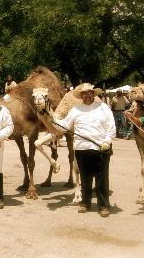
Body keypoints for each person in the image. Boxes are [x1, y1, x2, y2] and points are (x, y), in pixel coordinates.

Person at [54, 83, 116, 217]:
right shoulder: (76, 109)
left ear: (93, 94)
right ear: (81, 96)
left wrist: (107, 141)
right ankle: (85, 203)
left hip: (100, 148)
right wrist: (52, 119)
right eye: (84, 94)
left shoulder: (103, 107)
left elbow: (111, 127)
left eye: (90, 93)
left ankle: (104, 206)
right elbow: (64, 126)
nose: (87, 95)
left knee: (102, 179)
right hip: (82, 149)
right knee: (85, 179)